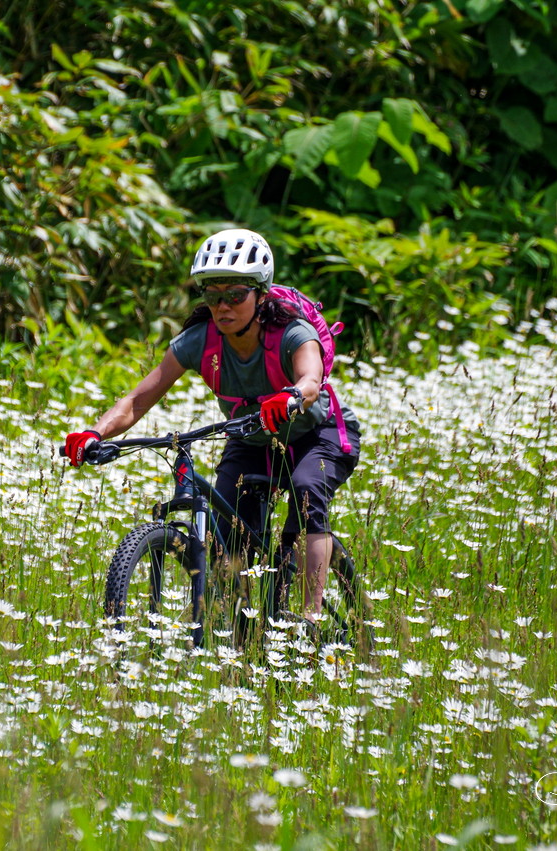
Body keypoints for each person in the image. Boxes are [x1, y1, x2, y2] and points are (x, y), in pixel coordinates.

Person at [63, 228, 361, 630]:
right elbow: (136, 400)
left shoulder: (290, 332)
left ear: (260, 294)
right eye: (212, 295)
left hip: (316, 435)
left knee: (307, 495)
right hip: (252, 437)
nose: (223, 306)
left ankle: (310, 620)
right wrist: (94, 434)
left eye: (236, 295)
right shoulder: (199, 341)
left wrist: (290, 396)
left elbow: (311, 378)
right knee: (229, 536)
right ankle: (238, 635)